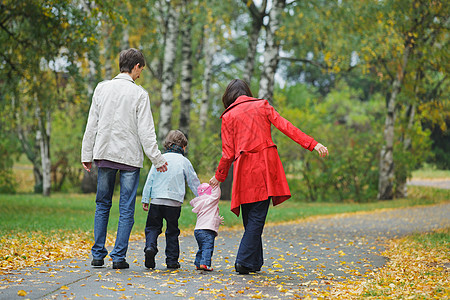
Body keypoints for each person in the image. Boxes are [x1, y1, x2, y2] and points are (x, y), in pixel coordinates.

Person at [209, 79, 329, 274]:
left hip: (243, 171)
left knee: (251, 217)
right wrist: (312, 144)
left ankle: (253, 263)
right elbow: (287, 127)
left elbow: (227, 153)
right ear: (247, 92)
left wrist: (219, 176)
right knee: (255, 217)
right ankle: (243, 261)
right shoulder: (262, 105)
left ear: (229, 96)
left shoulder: (228, 116)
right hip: (264, 169)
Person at [81, 48, 168, 270]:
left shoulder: (102, 88)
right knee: (126, 209)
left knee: (102, 205)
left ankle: (98, 255)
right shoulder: (139, 94)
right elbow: (146, 132)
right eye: (141, 69)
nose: (140, 74)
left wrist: (86, 154)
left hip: (104, 154)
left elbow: (92, 124)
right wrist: (157, 160)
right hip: (129, 158)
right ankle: (118, 257)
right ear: (136, 66)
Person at [142, 130, 200, 269]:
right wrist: (202, 198)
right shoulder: (184, 161)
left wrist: (145, 198)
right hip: (174, 202)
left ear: (167, 144)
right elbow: (193, 181)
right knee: (172, 230)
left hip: (156, 200)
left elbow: (150, 179)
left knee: (152, 227)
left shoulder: (159, 158)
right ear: (183, 146)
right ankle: (172, 260)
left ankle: (150, 247)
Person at [190, 183, 223, 271]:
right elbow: (216, 195)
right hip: (207, 230)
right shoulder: (210, 200)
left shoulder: (199, 203)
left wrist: (218, 220)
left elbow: (207, 215)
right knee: (208, 247)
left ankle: (198, 263)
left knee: (202, 247)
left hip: (198, 230)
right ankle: (205, 263)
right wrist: (217, 184)